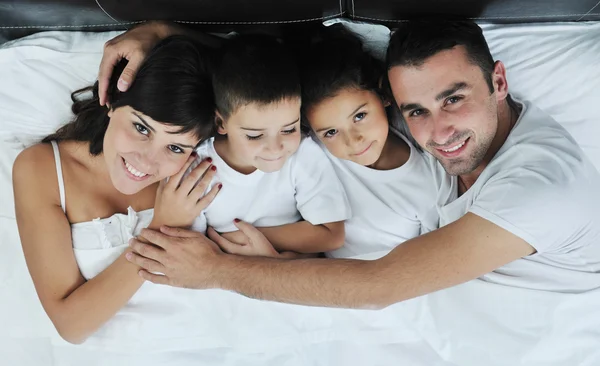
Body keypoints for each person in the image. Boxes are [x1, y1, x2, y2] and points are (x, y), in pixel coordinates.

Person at [106, 20, 600, 308]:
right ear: (392, 101)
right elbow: (281, 80)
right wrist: (162, 33)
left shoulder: (541, 189)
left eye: (454, 99)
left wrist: (218, 271)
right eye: (415, 111)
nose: (438, 132)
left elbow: (377, 286)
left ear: (498, 81)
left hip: (541, 347)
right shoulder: (394, 120)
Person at [13, 36, 220, 344]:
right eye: (141, 128)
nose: (148, 160)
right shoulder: (43, 169)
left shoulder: (196, 168)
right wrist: (161, 228)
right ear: (112, 103)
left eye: (175, 146)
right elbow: (71, 325)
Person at [186, 34, 351, 254]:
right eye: (254, 136)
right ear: (220, 122)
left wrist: (245, 238)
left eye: (289, 129)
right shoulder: (197, 168)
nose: (275, 148)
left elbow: (332, 235)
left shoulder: (304, 153)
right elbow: (192, 249)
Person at [299, 27, 438, 258]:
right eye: (331, 132)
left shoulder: (429, 182)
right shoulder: (314, 151)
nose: (353, 141)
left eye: (360, 116)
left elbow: (433, 261)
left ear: (383, 94)